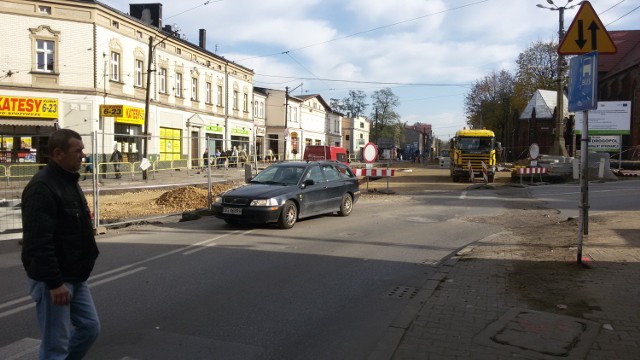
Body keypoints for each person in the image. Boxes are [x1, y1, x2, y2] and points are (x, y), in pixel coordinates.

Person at [21, 128, 100, 360]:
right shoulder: (42, 188)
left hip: (75, 275)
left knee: (89, 328)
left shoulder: (68, 180)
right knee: (55, 344)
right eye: (78, 151)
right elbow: (38, 241)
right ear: (58, 153)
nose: (82, 155)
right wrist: (55, 283)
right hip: (54, 280)